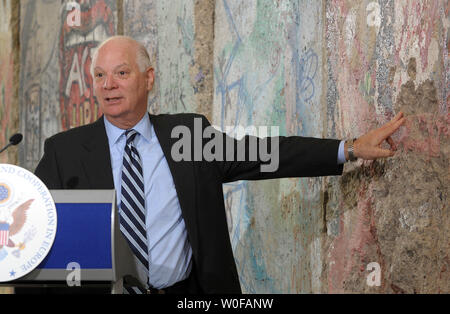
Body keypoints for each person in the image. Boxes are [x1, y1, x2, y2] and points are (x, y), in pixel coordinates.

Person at [34, 36, 405, 294]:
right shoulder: (64, 152)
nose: (108, 85)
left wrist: (349, 148)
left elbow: (265, 154)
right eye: (99, 75)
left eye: (121, 73)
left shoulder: (186, 135)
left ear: (148, 79)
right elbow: (35, 238)